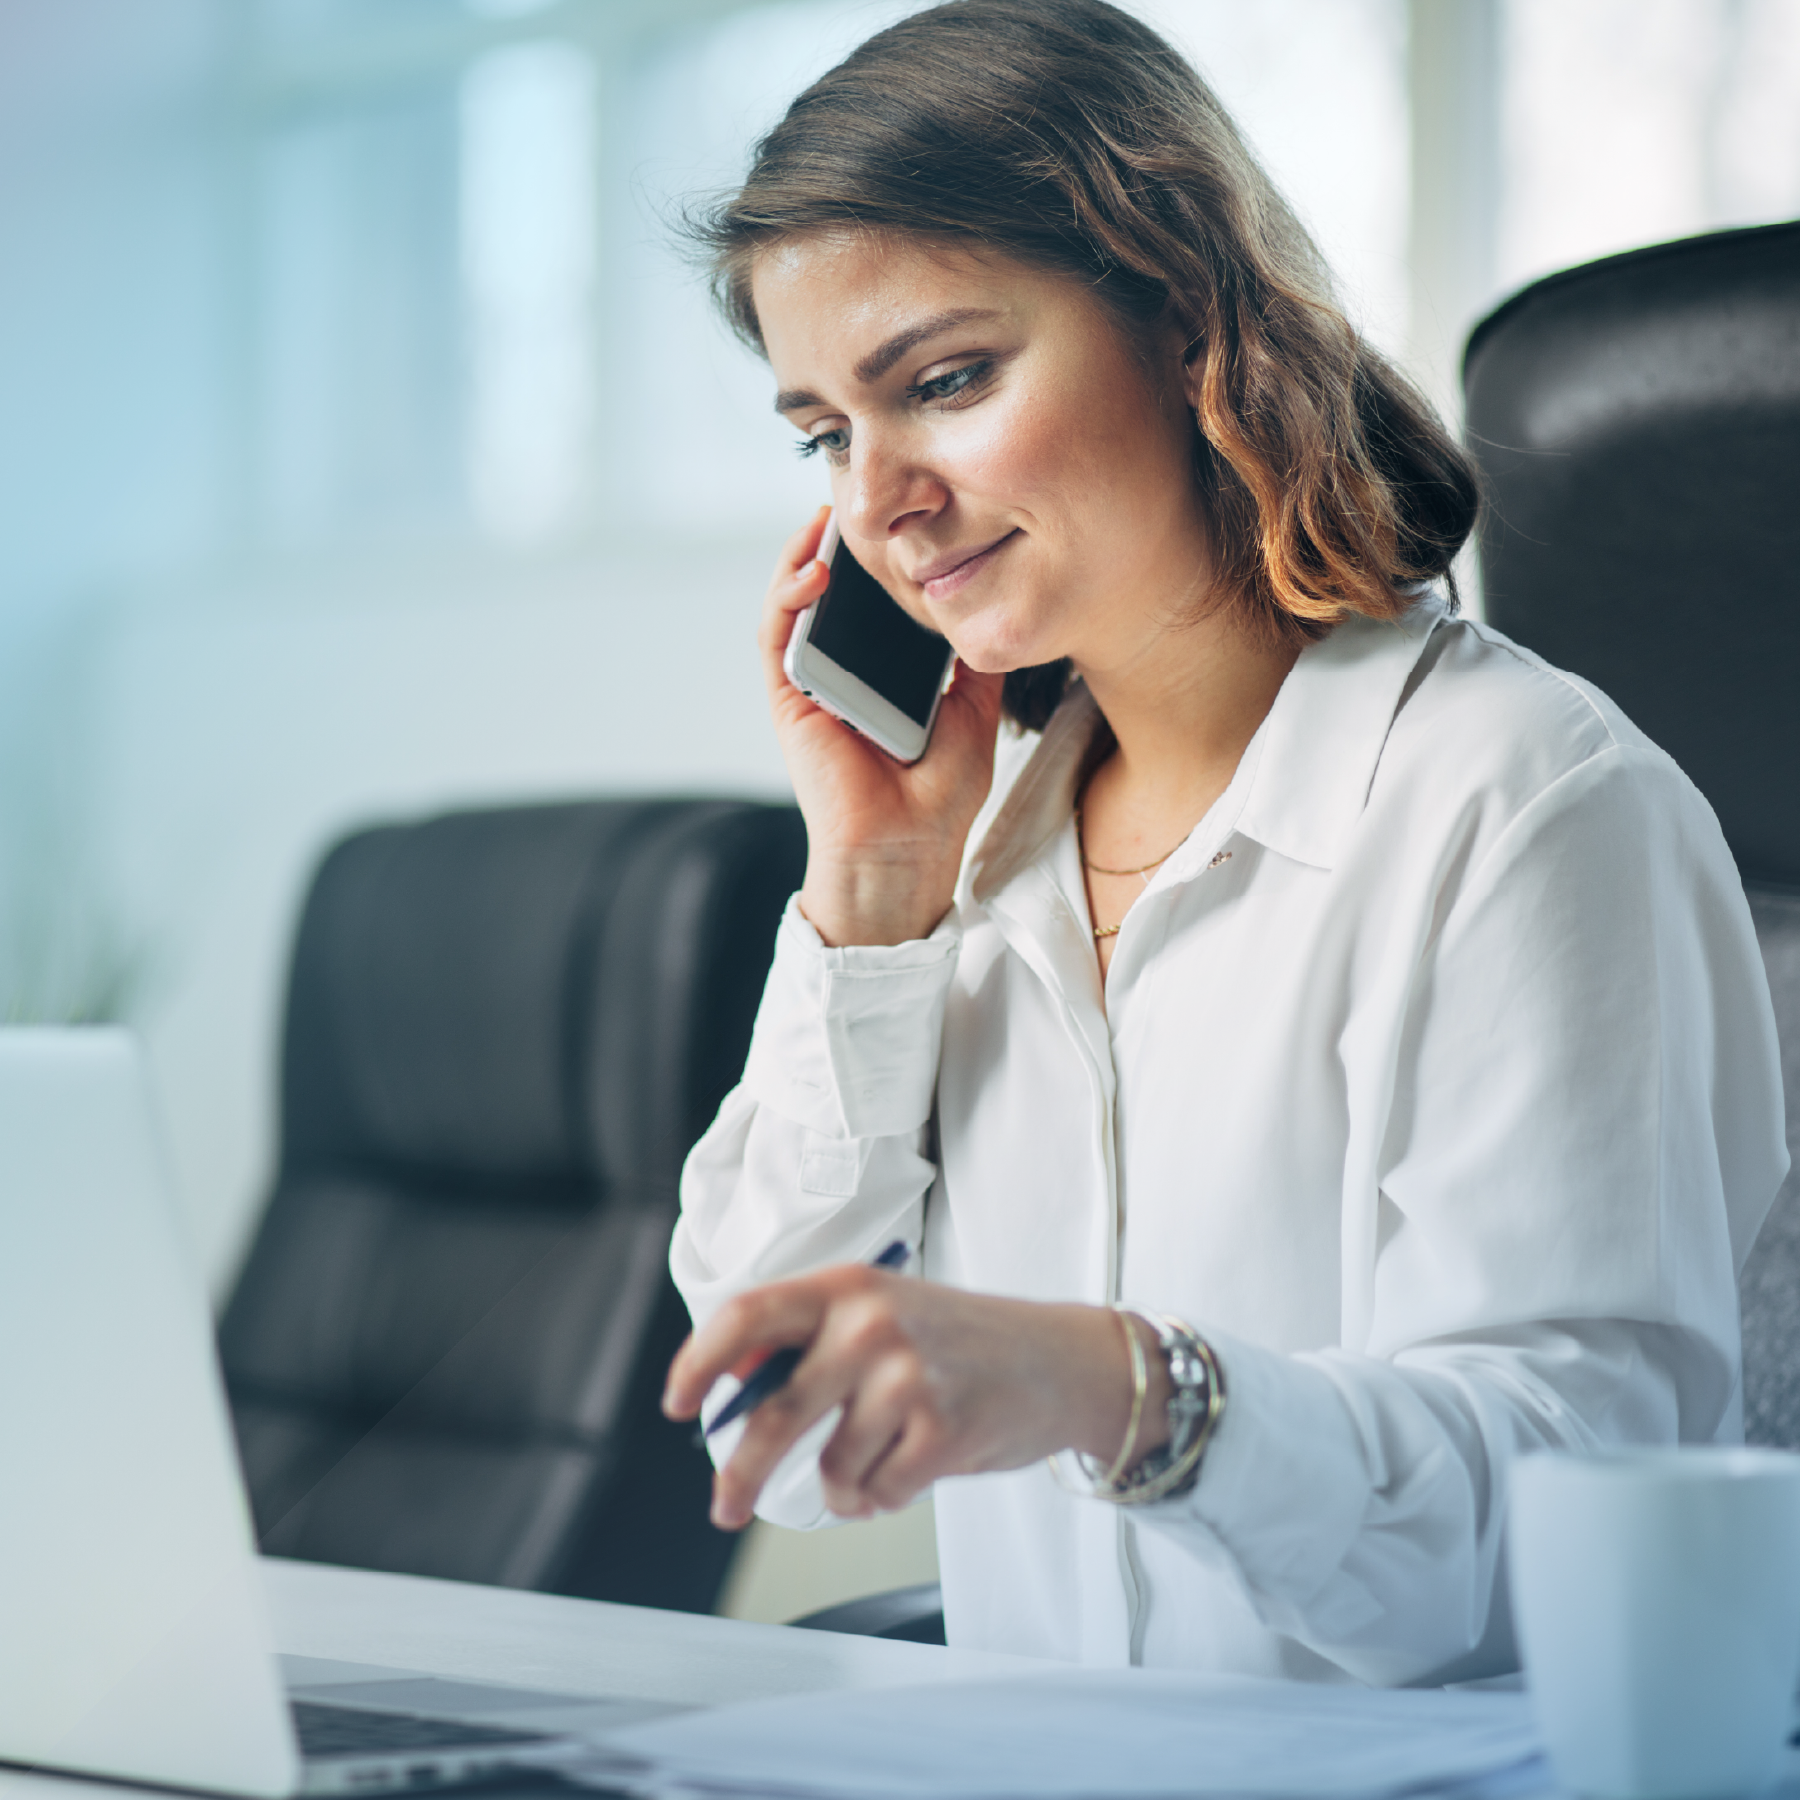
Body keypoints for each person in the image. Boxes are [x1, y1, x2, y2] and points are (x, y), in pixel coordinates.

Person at [658, 0, 1788, 1683]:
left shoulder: (1525, 805)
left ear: (1185, 319)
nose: (875, 501)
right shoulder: (963, 859)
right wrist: (876, 900)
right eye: (827, 432)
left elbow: (1552, 1541)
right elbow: (775, 1433)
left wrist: (1113, 1386)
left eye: (945, 381)